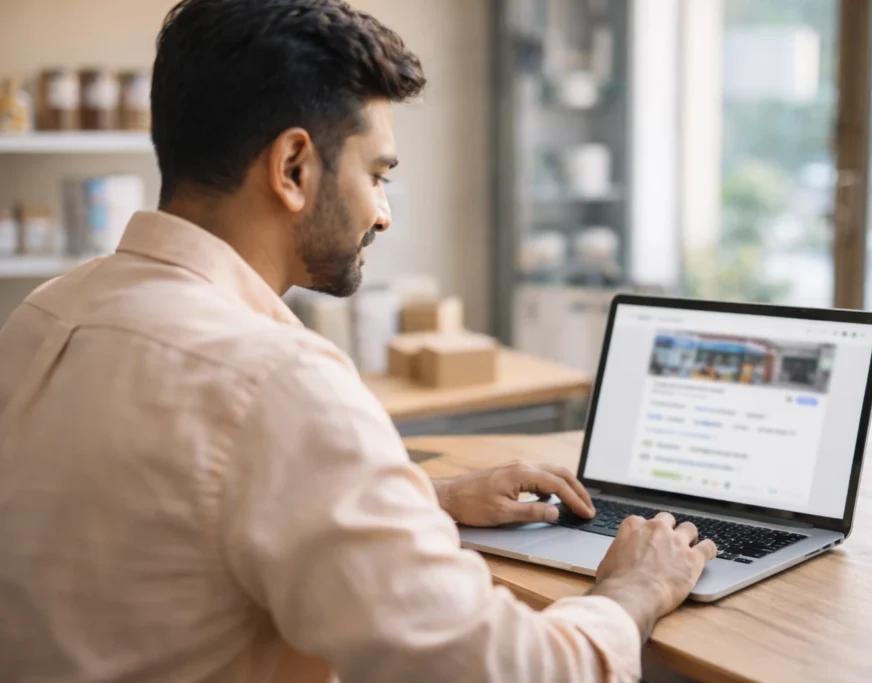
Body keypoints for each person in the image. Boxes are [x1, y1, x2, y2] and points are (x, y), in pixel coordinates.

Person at [0, 1, 716, 681]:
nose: (383, 214)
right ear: (293, 169)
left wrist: (420, 498)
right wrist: (634, 589)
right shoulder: (276, 383)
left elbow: (173, 514)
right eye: (377, 175)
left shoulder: (47, 315)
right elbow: (510, 669)